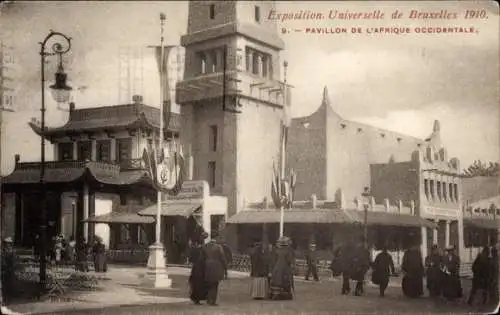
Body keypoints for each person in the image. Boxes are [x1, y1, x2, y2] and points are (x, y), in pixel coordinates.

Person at [201, 234, 227, 306]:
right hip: (216, 266)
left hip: (207, 266)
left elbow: (202, 258)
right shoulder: (218, 247)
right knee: (215, 284)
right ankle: (212, 300)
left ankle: (208, 299)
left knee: (209, 283)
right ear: (216, 238)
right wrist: (225, 269)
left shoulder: (205, 246)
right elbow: (223, 258)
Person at [188, 233, 208, 305]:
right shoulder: (203, 249)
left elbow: (190, 260)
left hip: (195, 268)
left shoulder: (193, 249)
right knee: (200, 284)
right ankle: (198, 299)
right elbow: (206, 258)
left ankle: (195, 298)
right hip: (201, 268)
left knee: (195, 284)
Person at [1, 237, 17, 304]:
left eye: (9, 243)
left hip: (10, 269)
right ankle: (5, 299)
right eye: (7, 243)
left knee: (9, 284)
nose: (8, 245)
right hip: (5, 269)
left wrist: (12, 267)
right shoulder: (3, 251)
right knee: (4, 285)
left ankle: (8, 299)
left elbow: (13, 260)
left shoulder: (12, 251)